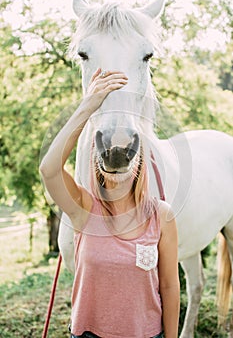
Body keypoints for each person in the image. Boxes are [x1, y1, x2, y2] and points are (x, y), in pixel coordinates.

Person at [39, 68, 180, 338]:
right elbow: (49, 170)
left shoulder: (162, 216)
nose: (118, 158)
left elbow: (170, 286)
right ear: (95, 158)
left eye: (127, 150)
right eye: (106, 149)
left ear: (140, 160)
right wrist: (87, 107)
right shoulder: (82, 208)